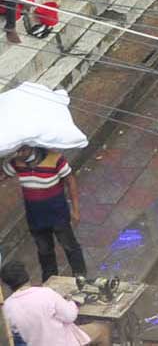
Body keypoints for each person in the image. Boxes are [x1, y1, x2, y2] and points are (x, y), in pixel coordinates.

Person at [4, 147, 86, 282]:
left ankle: (80, 275)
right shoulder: (17, 163)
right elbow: (3, 175)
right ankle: (50, 282)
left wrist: (75, 210)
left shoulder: (55, 159)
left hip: (58, 215)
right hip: (35, 218)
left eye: (22, 151)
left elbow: (70, 182)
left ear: (30, 147)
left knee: (69, 245)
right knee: (44, 251)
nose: (18, 154)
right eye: (17, 151)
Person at [2, 260, 111, 346]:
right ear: (27, 275)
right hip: (62, 343)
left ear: (7, 285)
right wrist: (72, 302)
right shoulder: (45, 293)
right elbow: (70, 316)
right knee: (102, 329)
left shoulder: (6, 307)